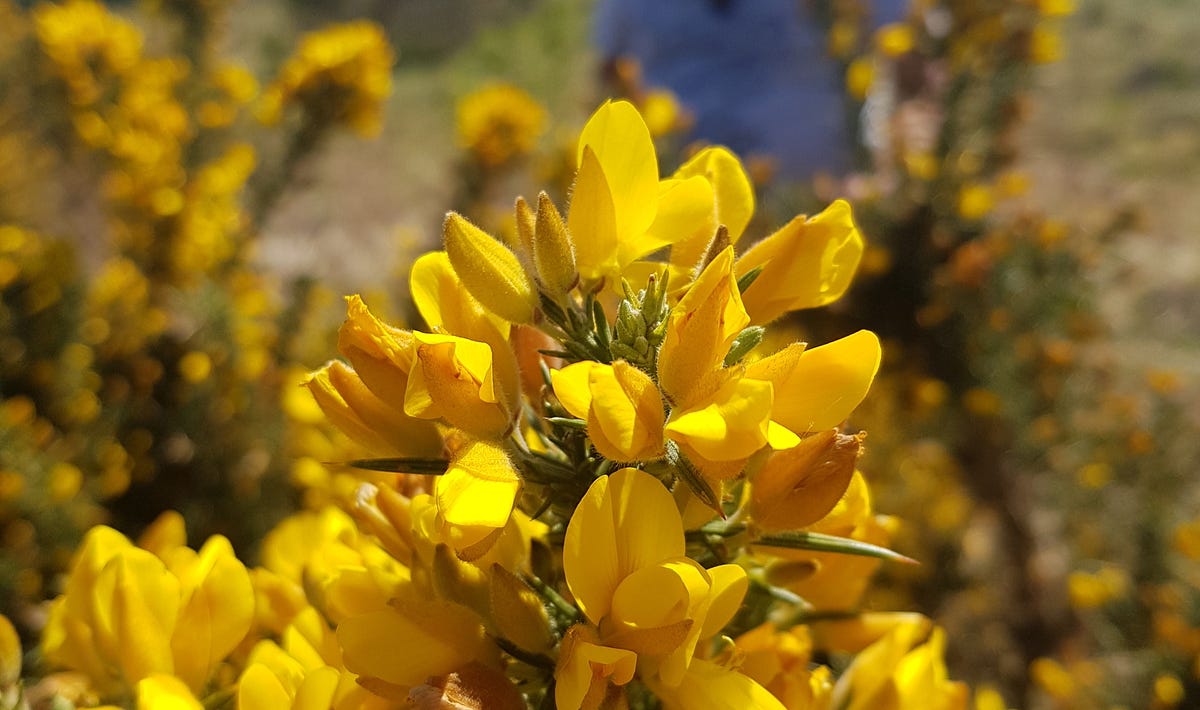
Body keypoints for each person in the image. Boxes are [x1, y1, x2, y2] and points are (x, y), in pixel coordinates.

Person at [593, 0, 908, 182]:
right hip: (674, 225)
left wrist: (893, 165)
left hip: (818, 210)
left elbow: (909, 54)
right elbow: (607, 75)